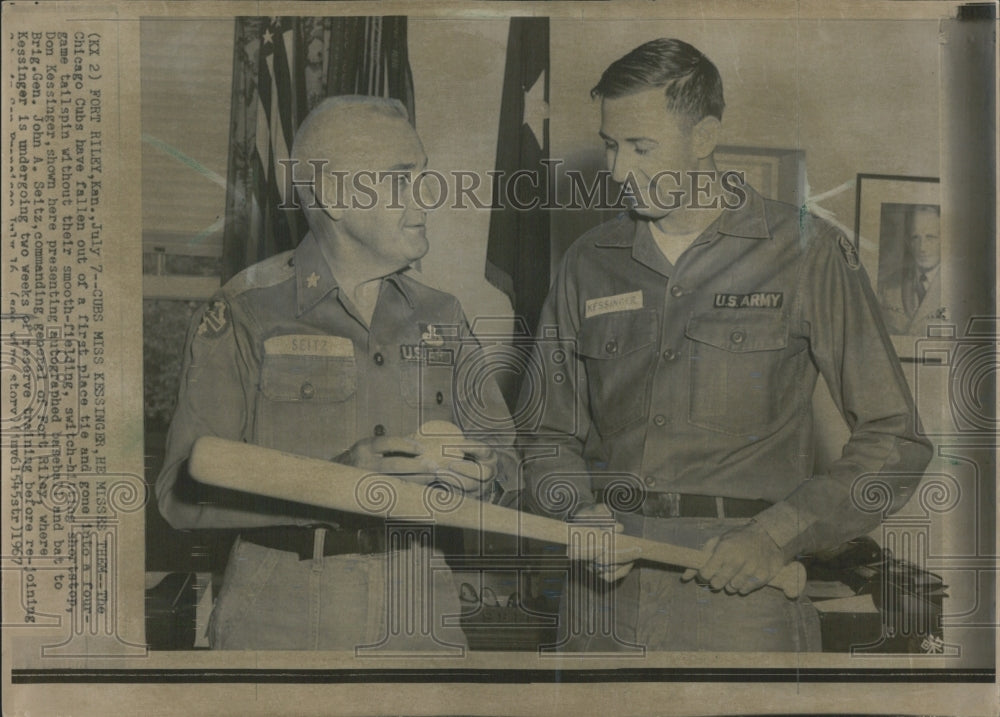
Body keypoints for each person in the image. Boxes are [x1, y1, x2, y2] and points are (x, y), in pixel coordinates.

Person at [517, 39, 933, 652]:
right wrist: (577, 510)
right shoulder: (588, 263)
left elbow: (895, 438)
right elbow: (544, 434)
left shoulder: (807, 251)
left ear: (705, 136)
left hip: (742, 593)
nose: (617, 171)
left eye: (641, 147)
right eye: (610, 145)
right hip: (601, 598)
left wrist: (776, 535)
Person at [156, 96, 514, 650]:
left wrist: (485, 475)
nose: (427, 198)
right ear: (334, 197)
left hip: (421, 615)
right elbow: (179, 495)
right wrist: (337, 482)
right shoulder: (247, 311)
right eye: (401, 180)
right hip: (284, 616)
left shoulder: (442, 314)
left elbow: (509, 464)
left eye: (424, 176)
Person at [879, 204, 947, 335]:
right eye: (915, 237)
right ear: (908, 241)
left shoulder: (958, 289)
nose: (922, 248)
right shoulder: (888, 287)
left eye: (930, 237)